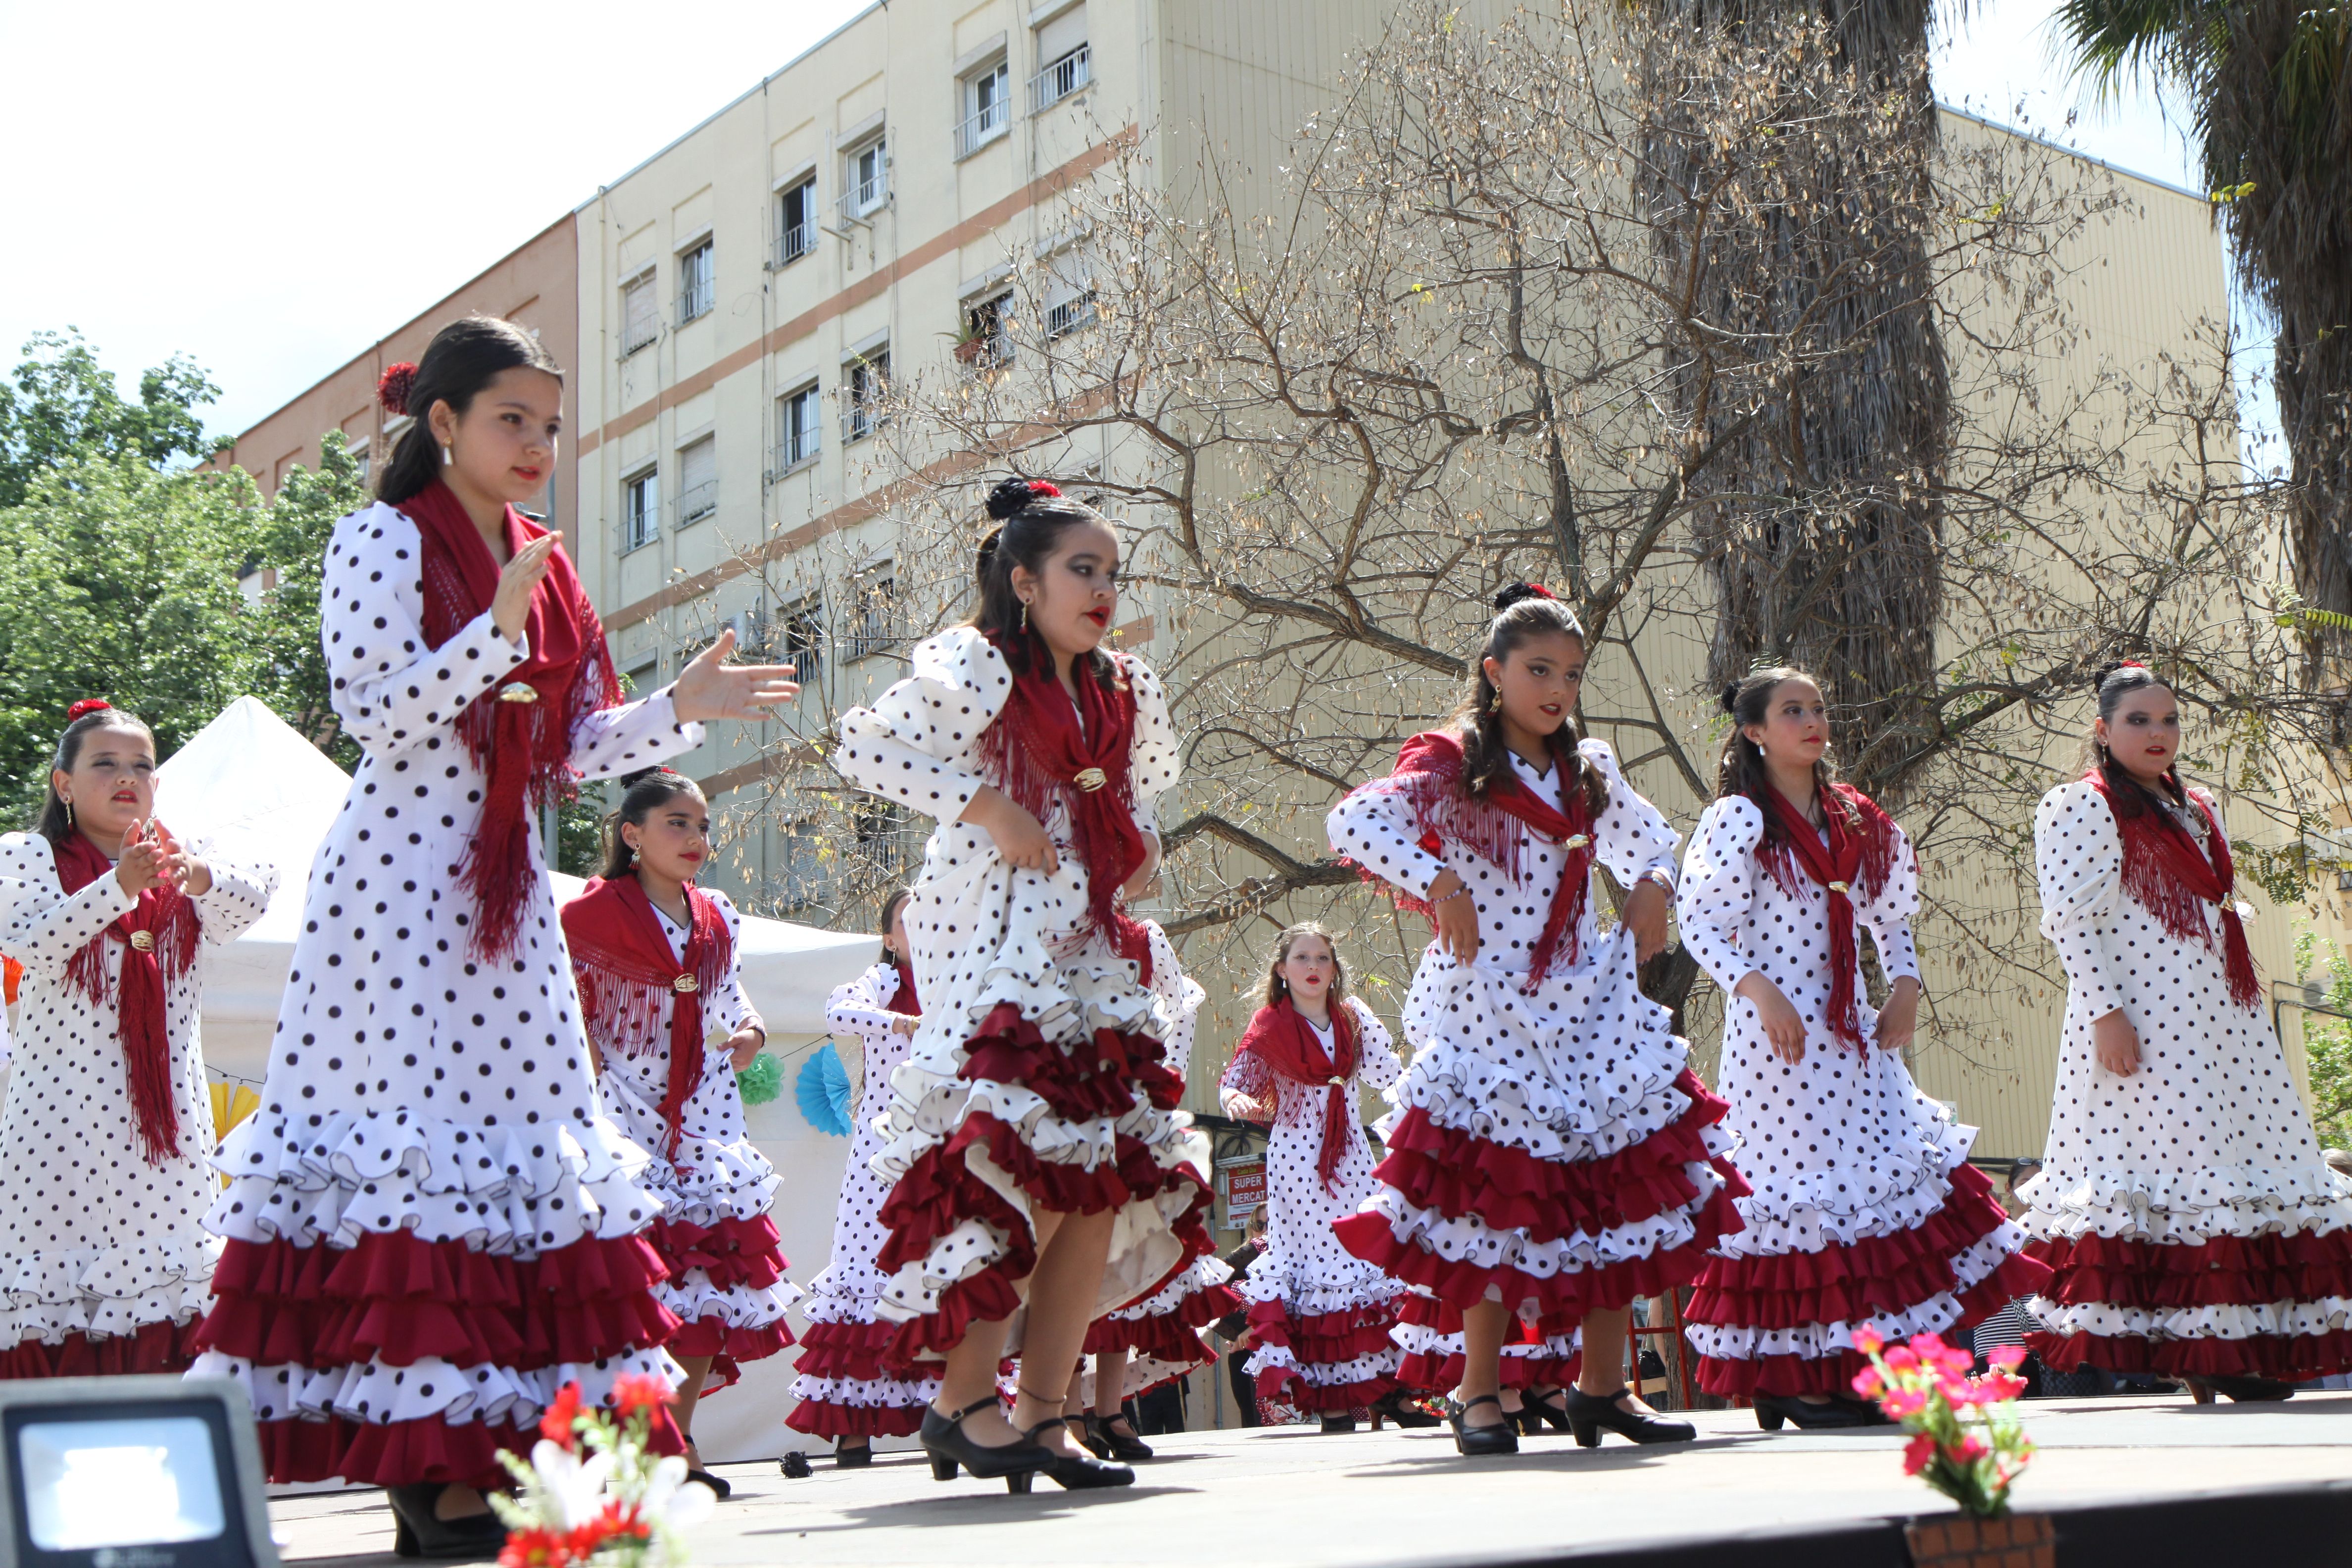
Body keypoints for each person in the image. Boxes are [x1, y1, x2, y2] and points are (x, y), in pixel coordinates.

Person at [188, 317, 800, 1559]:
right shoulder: (378, 537)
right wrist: (490, 632)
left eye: (549, 426)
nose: (535, 446)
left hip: (511, 887)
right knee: (414, 1149)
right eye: (510, 418)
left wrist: (675, 710)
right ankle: (433, 1469)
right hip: (400, 882)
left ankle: (514, 1458)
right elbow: (375, 708)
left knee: (527, 1156)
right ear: (445, 422)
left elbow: (573, 746)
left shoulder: (549, 563)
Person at [833, 476, 1207, 1493]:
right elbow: (863, 746)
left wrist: (1138, 849)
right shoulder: (978, 665)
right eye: (1082, 570)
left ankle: (1046, 1416)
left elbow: (1133, 795)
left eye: (1112, 574)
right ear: (1024, 578)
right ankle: (960, 1401)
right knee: (1021, 1175)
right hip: (994, 948)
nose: (1102, 591)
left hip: (1090, 951)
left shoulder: (1124, 685)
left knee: (1096, 1187)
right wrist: (987, 804)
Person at [1328, 583, 1741, 1454]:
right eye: (1538, 669)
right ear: (1494, 672)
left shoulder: (1584, 767)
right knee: (1491, 1196)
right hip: (1487, 1006)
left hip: (1586, 1003)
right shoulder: (1452, 763)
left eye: (1571, 671)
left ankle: (1601, 1389)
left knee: (1607, 1187)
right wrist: (1436, 879)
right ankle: (1477, 1392)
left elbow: (1651, 840)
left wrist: (1652, 889)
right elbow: (1354, 817)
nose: (1557, 687)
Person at [1676, 668, 2050, 1429]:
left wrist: (1906, 983)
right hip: (1777, 1039)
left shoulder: (1855, 817)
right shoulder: (1741, 820)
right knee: (1801, 1194)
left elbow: (1890, 914)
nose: (1812, 721)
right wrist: (1758, 989)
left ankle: (1866, 1371)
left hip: (1852, 1034)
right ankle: (1797, 1376)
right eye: (1792, 711)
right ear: (1754, 730)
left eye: (1817, 707)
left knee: (1875, 1194)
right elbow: (1701, 922)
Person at [2020, 661, 2352, 1401]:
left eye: (2168, 720)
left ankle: (2235, 1349)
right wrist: (2107, 1014)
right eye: (2139, 721)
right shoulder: (2080, 805)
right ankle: (2203, 1359)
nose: (2158, 734)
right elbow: (2073, 921)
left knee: (2242, 1169)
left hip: (2220, 1019)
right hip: (2143, 1020)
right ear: (2103, 731)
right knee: (2177, 1178)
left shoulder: (2194, 805)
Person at [0, 702, 273, 1377]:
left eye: (142, 767)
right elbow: (32, 944)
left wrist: (196, 876)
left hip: (165, 1138)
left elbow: (257, 889)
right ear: (63, 783)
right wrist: (119, 886)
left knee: (169, 1302)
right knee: (55, 1301)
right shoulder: (23, 856)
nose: (128, 778)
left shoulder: (186, 859)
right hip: (58, 1134)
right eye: (106, 764)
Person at [562, 767, 801, 1496]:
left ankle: (676, 1445)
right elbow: (569, 1010)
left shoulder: (716, 913)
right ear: (630, 835)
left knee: (705, 1285)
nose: (696, 837)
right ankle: (618, 1451)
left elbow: (728, 992)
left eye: (701, 825)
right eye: (677, 823)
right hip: (617, 1111)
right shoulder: (587, 915)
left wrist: (754, 1027)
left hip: (706, 1114)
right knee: (629, 1289)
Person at [1218, 923, 1414, 1434]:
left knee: (1367, 1259)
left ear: (1333, 969)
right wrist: (1234, 1100)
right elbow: (1234, 1081)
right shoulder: (1270, 1026)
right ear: (1282, 970)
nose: (1313, 967)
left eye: (1323, 958)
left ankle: (1390, 1388)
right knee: (1316, 1272)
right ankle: (1330, 1396)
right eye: (1302, 958)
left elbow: (1389, 1077)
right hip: (1297, 1166)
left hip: (1350, 1157)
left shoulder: (1353, 1018)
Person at [1065, 922, 1234, 1461]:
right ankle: (1065, 1408)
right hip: (1067, 1099)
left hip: (1131, 1107)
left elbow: (1180, 1003)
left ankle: (1109, 1410)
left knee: (1124, 1254)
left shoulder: (1143, 933)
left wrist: (1165, 1076)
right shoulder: (1053, 913)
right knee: (1068, 1258)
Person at [788, 888, 941, 1466]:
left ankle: (947, 1414)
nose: (921, 930)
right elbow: (836, 1012)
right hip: (881, 1148)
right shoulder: (882, 983)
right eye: (908, 922)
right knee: (864, 1266)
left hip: (941, 1143)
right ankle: (855, 1431)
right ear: (888, 937)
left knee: (935, 1269)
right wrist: (901, 1019)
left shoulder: (954, 983)